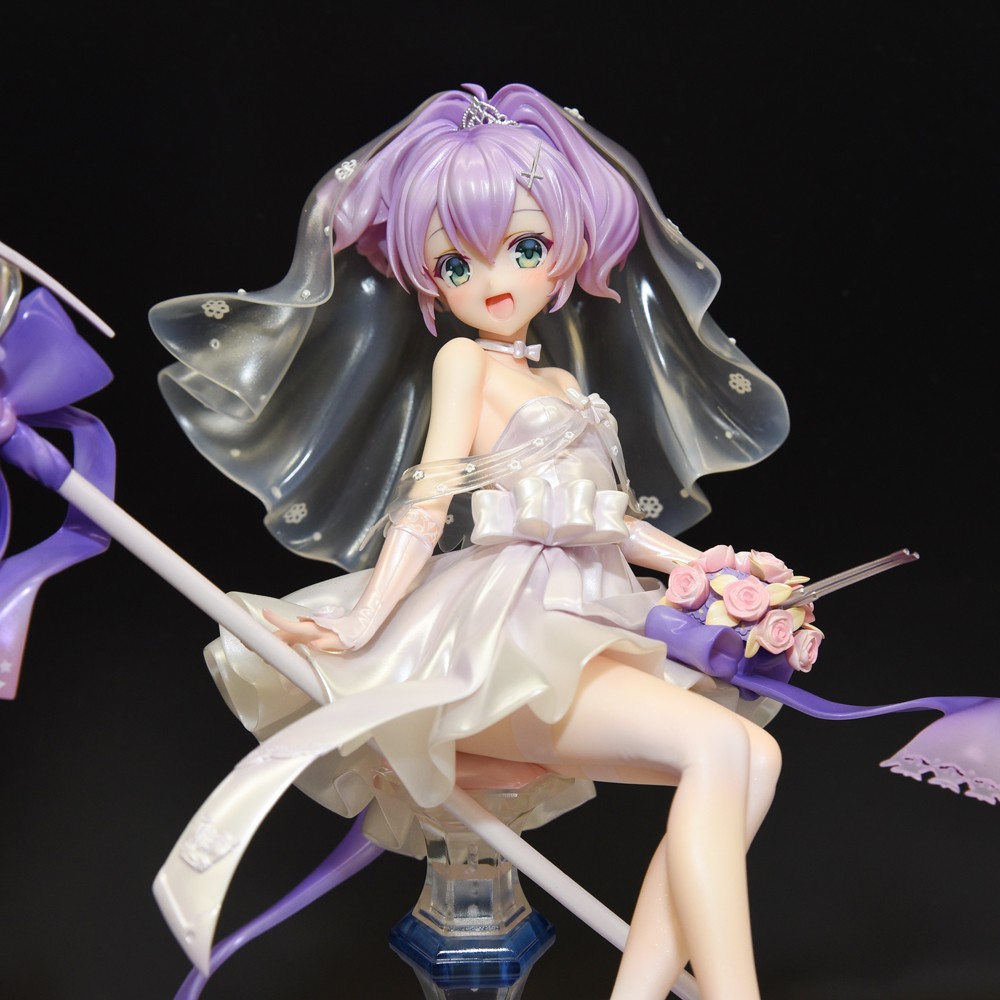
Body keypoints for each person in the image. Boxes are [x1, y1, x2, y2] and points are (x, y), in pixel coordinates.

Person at [149, 83, 795, 999]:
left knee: (754, 756)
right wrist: (366, 620)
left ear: (565, 252)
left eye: (523, 248)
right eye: (456, 263)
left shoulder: (563, 386)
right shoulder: (463, 361)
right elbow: (429, 498)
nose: (493, 280)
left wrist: (721, 571)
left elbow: (609, 520)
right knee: (720, 750)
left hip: (594, 622)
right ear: (428, 277)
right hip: (512, 640)